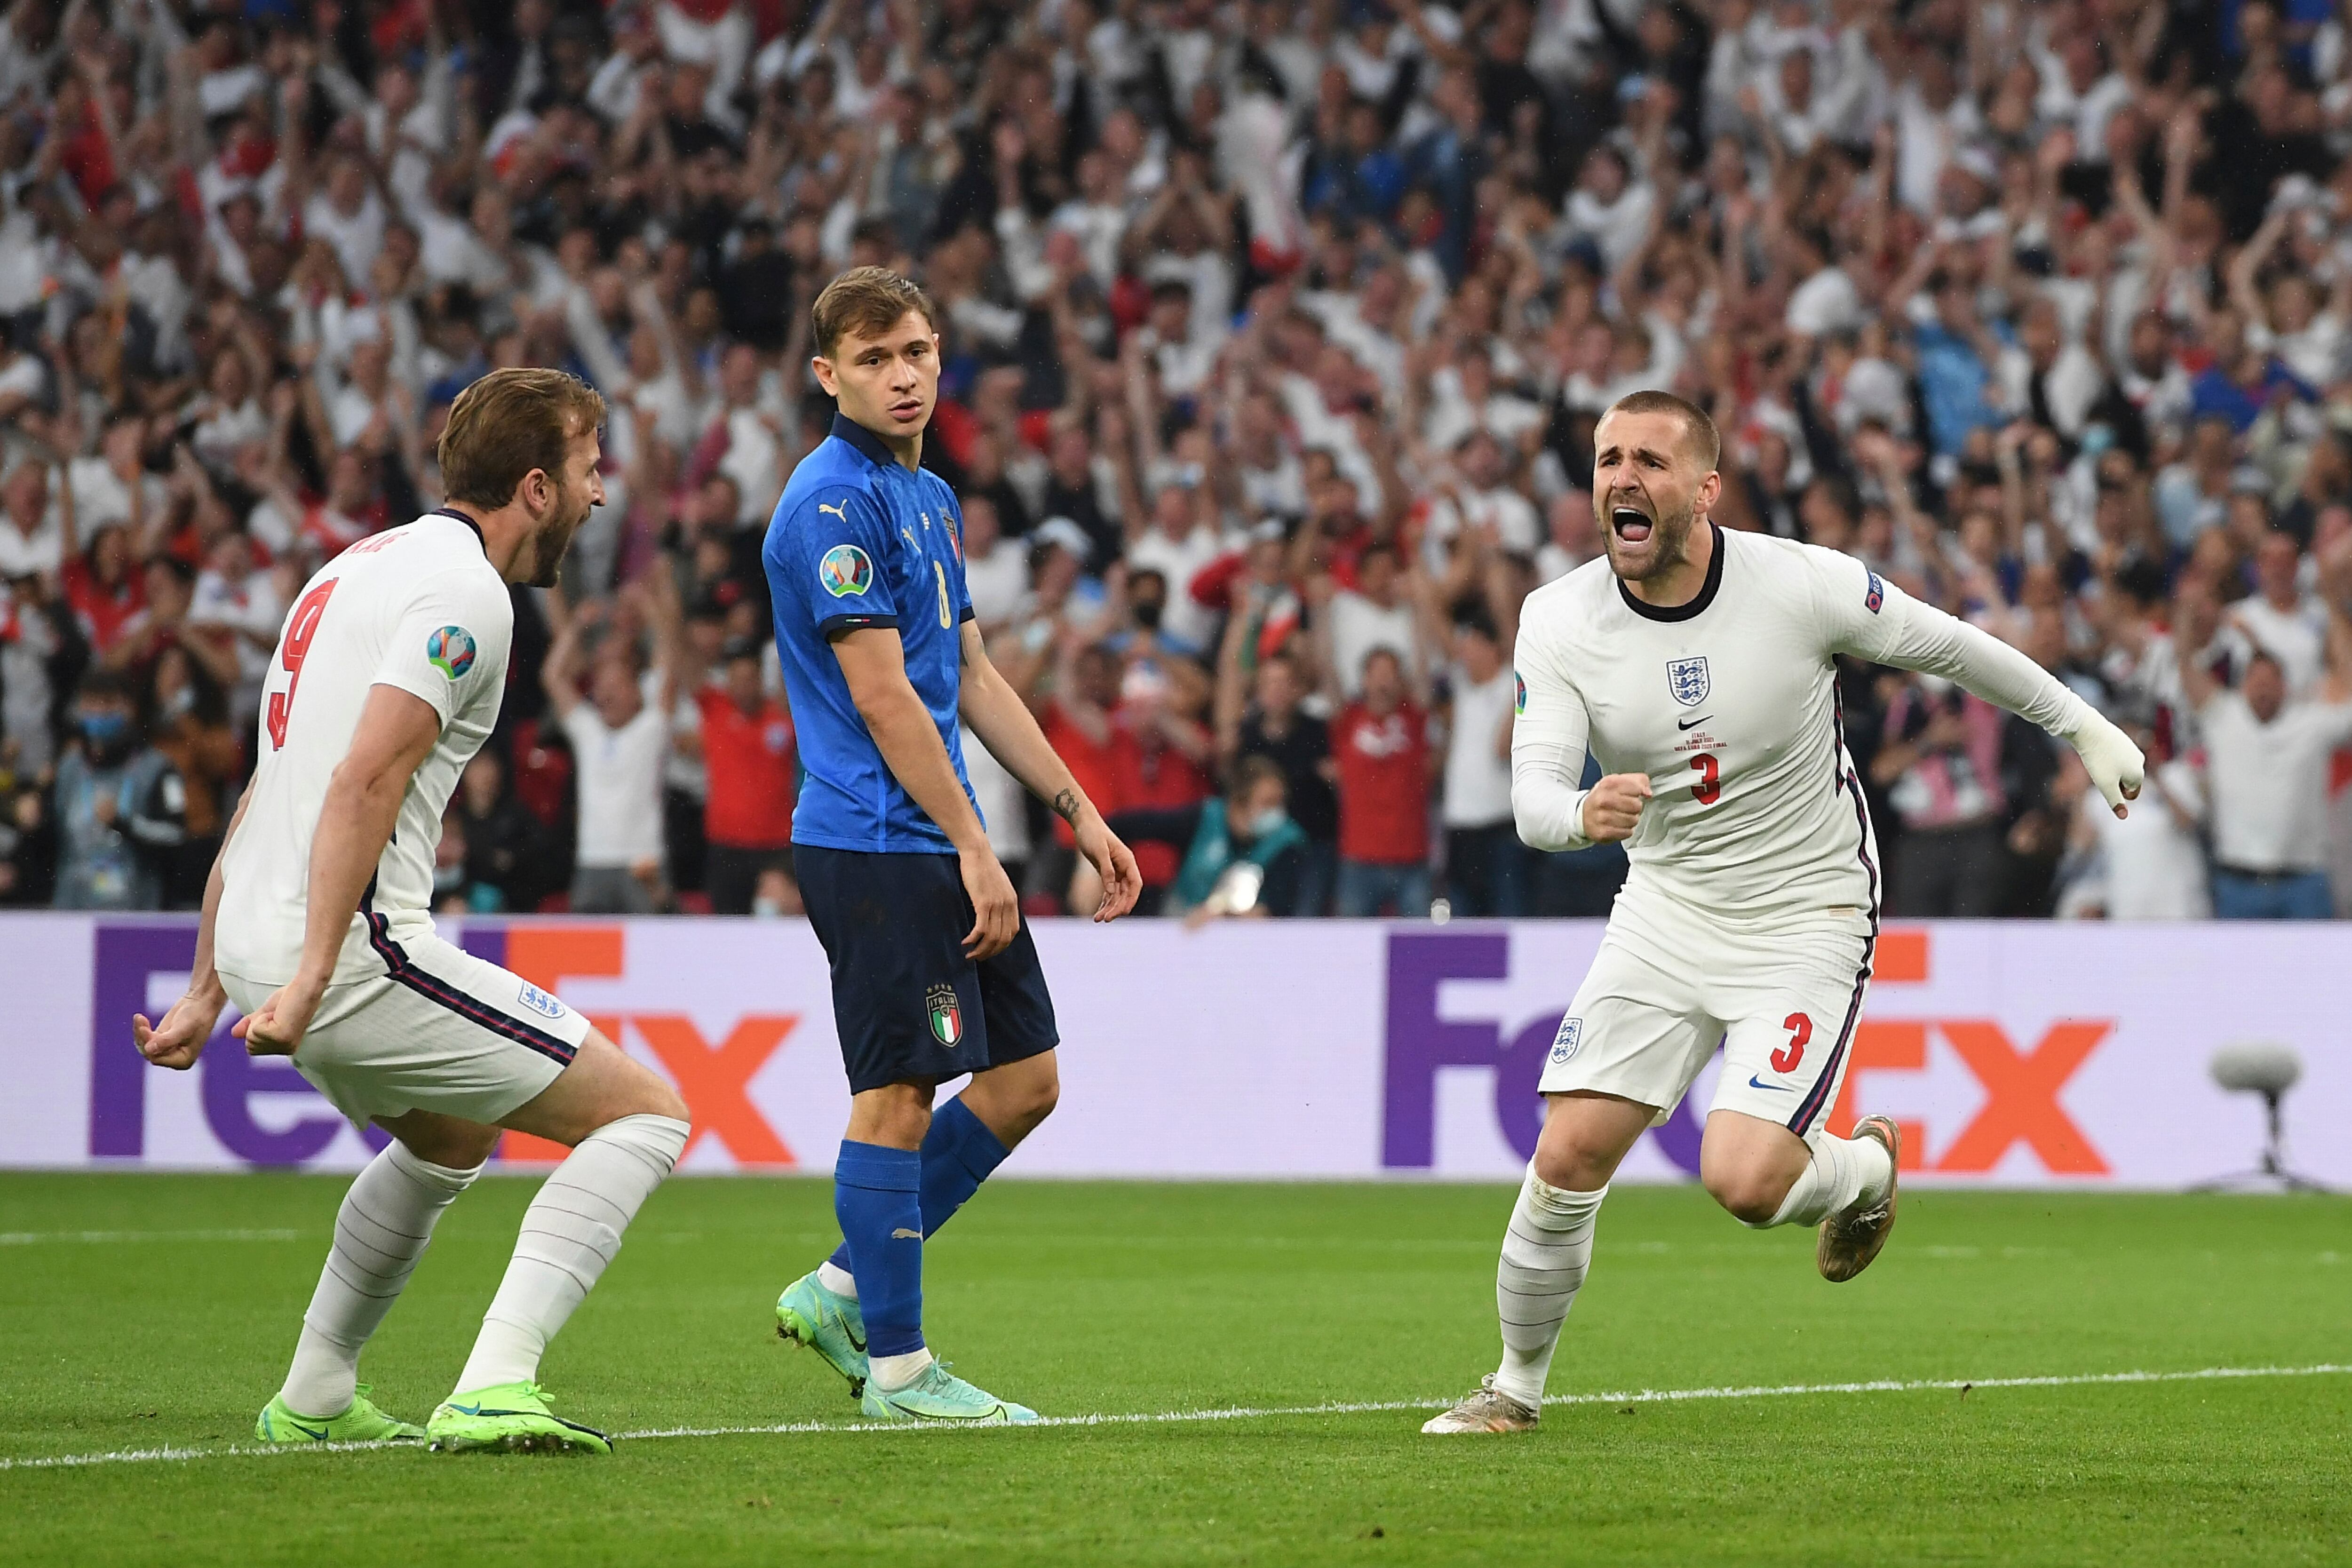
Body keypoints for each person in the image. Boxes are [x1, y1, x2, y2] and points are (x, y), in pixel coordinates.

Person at [1423, 391, 2144, 1435]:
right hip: (1665, 908)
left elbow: (1953, 648)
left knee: (1745, 1178)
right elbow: (1533, 795)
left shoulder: (1800, 584)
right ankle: (1514, 1387)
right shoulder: (1557, 617)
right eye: (1606, 459)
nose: (1622, 478)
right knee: (1568, 1152)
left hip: (1808, 908)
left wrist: (2085, 728)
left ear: (1705, 488)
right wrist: (1580, 811)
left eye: (1650, 462)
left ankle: (1868, 1169)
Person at [130, 368, 692, 1456]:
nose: (600, 495)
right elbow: (362, 781)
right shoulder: (468, 595)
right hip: (346, 951)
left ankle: (317, 1391)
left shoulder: (352, 570)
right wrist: (307, 977)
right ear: (535, 487)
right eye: (588, 469)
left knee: (451, 1135)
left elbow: (270, 782)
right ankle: (493, 1384)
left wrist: (210, 980)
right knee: (646, 1113)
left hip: (261, 931)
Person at [761, 268, 1142, 1425]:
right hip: (879, 846)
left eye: (918, 351)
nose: (904, 374)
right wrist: (978, 844)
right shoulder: (830, 504)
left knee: (1025, 1080)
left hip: (937, 838)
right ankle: (900, 1372)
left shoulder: (930, 498)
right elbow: (883, 699)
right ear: (829, 376)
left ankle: (838, 1286)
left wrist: (1077, 808)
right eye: (875, 359)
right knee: (898, 1095)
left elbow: (968, 676)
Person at [2183, 596, 2352, 919]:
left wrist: (2336, 609)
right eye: (2256, 681)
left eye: (2270, 682)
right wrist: (2187, 618)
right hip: (2238, 881)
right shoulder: (2223, 717)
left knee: (2315, 970)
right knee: (2234, 971)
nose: (2263, 689)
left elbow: (2348, 692)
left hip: (2304, 881)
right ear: (2243, 686)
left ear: (2285, 687)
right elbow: (2186, 670)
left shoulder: (2312, 723)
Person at [1109, 755, 1311, 921]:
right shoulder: (1204, 819)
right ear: (1239, 801)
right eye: (1267, 803)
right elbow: (1134, 825)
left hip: (1246, 938)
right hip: (1182, 919)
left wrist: (1220, 915)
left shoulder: (1287, 842)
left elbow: (1277, 909)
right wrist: (1095, 864)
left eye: (1279, 802)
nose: (1275, 812)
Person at [698, 635, 799, 915]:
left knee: (776, 925)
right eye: (737, 678)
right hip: (727, 848)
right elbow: (685, 663)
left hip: (776, 848)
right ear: (727, 682)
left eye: (750, 678)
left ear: (760, 680)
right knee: (727, 927)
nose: (744, 685)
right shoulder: (714, 709)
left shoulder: (781, 716)